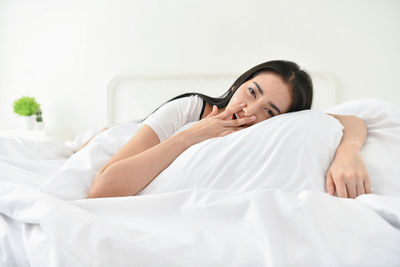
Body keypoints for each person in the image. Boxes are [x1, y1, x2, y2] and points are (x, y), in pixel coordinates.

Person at [88, 60, 371, 199]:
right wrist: (190, 135)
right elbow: (101, 189)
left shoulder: (267, 134)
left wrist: (349, 151)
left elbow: (350, 121)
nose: (251, 109)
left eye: (270, 111)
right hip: (144, 131)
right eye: (251, 92)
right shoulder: (189, 109)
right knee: (105, 137)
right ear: (236, 85)